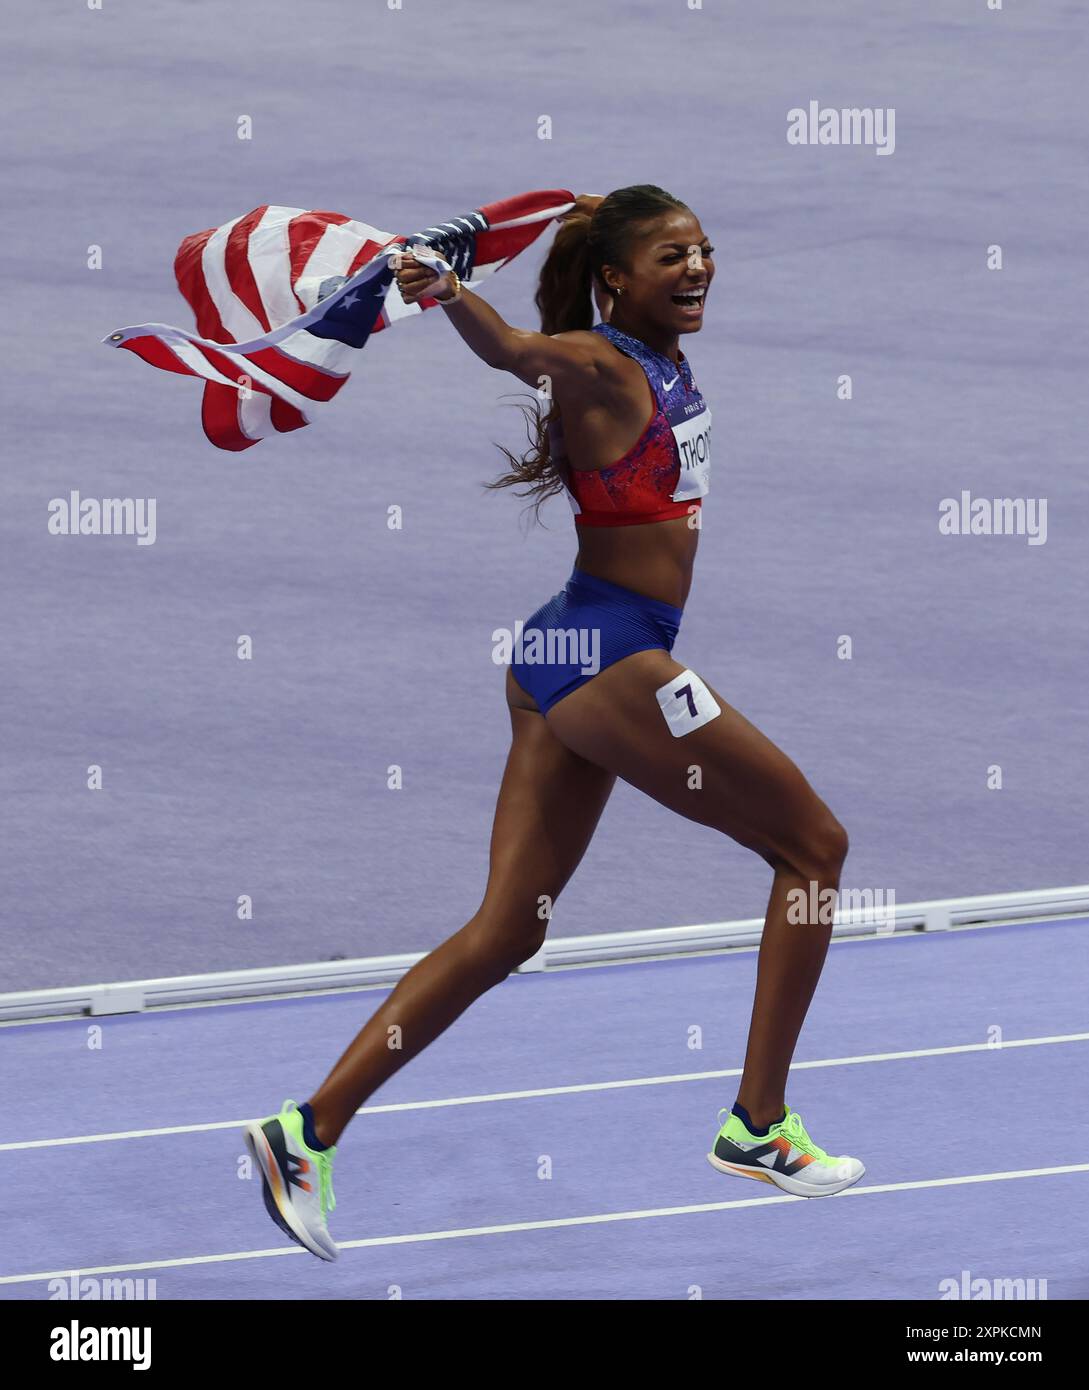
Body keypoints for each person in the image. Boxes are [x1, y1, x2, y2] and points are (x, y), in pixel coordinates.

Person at [242, 185, 863, 1263]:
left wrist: (567, 209)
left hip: (558, 652)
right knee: (814, 847)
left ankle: (307, 1129)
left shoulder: (653, 359)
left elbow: (566, 295)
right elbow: (514, 350)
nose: (700, 266)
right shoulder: (599, 361)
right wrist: (443, 289)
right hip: (615, 658)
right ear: (620, 278)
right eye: (673, 255)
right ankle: (757, 1124)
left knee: (510, 926)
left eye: (706, 249)